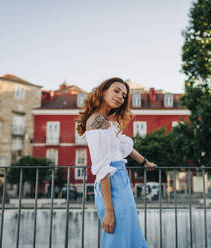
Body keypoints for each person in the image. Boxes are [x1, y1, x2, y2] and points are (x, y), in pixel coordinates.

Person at [75, 77, 157, 247]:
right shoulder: (97, 122)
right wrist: (109, 211)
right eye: (116, 91)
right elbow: (103, 168)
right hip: (112, 187)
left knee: (131, 236)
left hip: (121, 183)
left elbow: (123, 146)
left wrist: (144, 162)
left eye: (124, 95)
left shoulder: (106, 123)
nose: (120, 96)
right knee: (117, 240)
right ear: (104, 91)